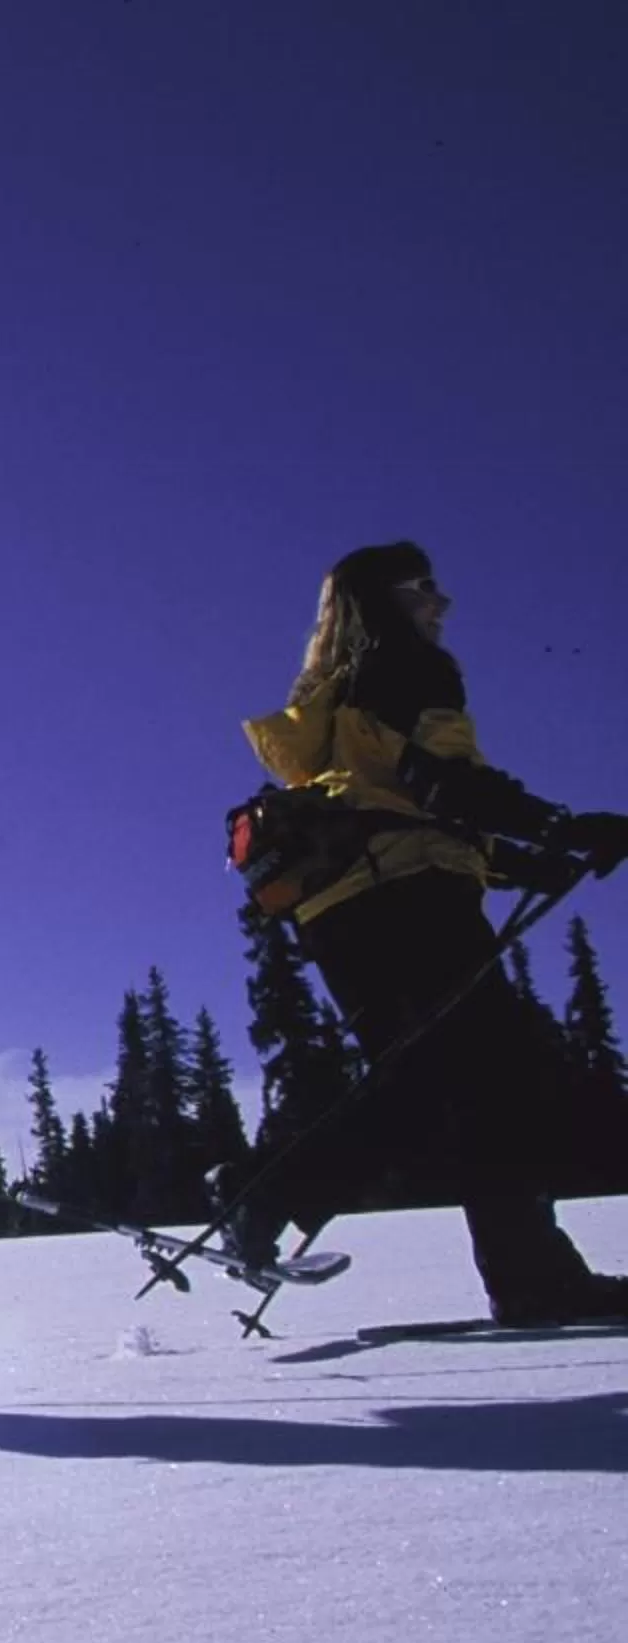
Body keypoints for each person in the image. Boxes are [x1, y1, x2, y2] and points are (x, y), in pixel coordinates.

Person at [229, 543, 628, 1323]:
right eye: (422, 589)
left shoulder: (332, 698)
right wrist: (560, 826)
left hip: (340, 907)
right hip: (405, 895)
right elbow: (442, 785)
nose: (439, 604)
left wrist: (511, 861)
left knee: (424, 1081)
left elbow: (389, 800)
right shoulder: (412, 667)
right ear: (383, 601)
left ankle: (265, 1192)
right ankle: (532, 1279)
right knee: (496, 1076)